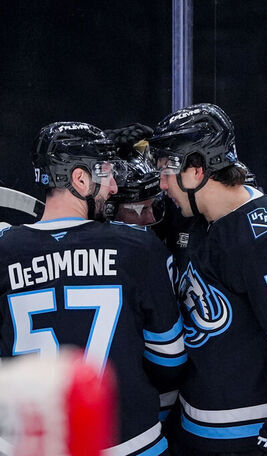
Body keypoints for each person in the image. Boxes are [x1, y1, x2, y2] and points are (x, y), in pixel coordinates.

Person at [148, 103, 267, 456]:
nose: (162, 184)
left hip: (242, 441)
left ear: (197, 170)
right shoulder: (200, 220)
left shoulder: (264, 240)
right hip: (195, 431)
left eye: (167, 170)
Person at [0, 122, 187, 455]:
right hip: (133, 443)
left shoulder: (5, 251)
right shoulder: (139, 249)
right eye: (106, 173)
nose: (113, 187)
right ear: (80, 179)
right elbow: (170, 361)